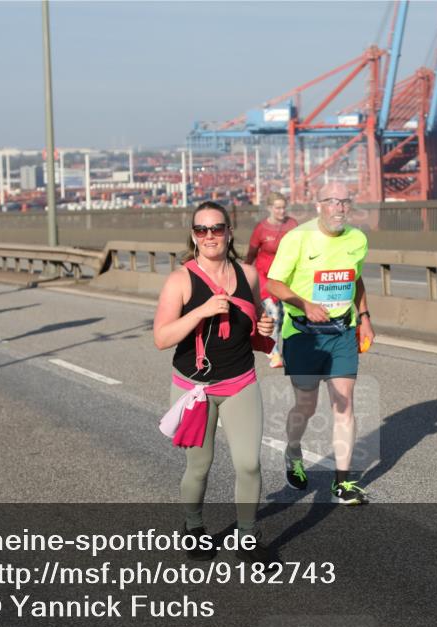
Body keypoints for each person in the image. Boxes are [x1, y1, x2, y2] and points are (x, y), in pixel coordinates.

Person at [154, 201, 276, 564]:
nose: (210, 236)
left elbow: (253, 333)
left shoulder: (249, 274)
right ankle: (193, 527)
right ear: (193, 235)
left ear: (229, 232)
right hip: (195, 390)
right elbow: (161, 338)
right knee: (199, 466)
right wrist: (201, 311)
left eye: (217, 228)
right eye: (202, 230)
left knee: (249, 464)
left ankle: (248, 537)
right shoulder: (180, 280)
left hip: (240, 382)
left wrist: (265, 330)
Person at [266, 182, 374, 504]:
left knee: (345, 405)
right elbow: (274, 282)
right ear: (318, 206)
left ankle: (342, 483)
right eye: (332, 201)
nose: (339, 207)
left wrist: (364, 315)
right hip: (303, 334)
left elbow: (356, 279)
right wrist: (304, 305)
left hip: (342, 332)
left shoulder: (358, 239)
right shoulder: (297, 238)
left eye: (345, 201)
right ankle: (293, 451)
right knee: (306, 406)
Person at [244, 192, 298, 369]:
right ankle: (274, 353)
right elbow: (251, 254)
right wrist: (243, 275)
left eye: (283, 207)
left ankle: (281, 349)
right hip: (265, 278)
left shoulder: (292, 225)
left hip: (287, 277)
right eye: (277, 207)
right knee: (274, 313)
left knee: (286, 317)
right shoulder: (261, 228)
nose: (281, 211)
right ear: (269, 208)